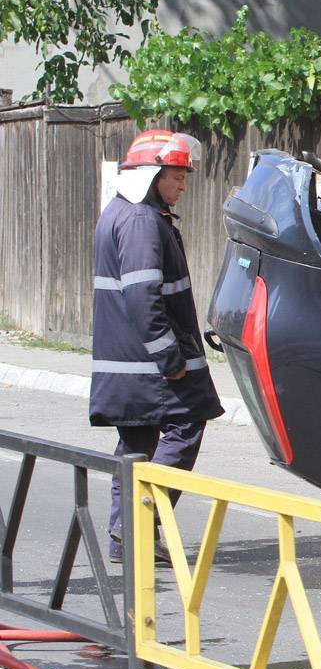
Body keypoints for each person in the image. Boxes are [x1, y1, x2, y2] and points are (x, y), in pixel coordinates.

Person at [90, 130, 224, 565]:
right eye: (177, 177)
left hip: (128, 364)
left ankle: (124, 538)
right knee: (187, 425)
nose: (183, 186)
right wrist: (170, 357)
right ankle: (136, 525)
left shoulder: (123, 212)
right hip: (150, 365)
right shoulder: (141, 221)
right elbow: (143, 295)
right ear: (153, 175)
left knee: (137, 444)